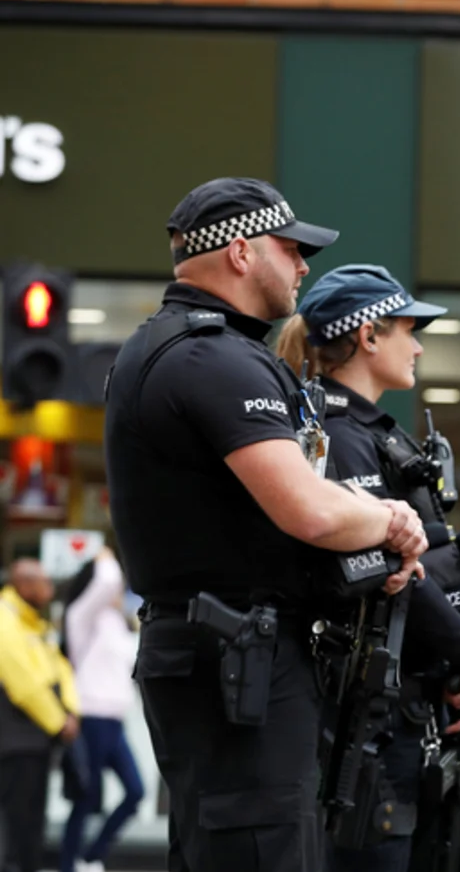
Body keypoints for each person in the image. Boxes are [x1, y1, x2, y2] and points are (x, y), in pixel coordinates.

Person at [104, 177, 429, 872]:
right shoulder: (209, 356)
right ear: (243, 251)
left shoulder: (175, 346)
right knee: (263, 847)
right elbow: (307, 507)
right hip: (236, 656)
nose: (304, 267)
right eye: (293, 249)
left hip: (220, 650)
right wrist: (392, 518)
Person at [275, 263, 460, 872]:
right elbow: (383, 568)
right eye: (409, 329)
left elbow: (411, 548)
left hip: (402, 695)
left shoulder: (372, 433)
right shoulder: (340, 435)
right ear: (368, 336)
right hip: (374, 706)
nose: (420, 345)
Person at [59, 548, 145, 872]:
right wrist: (104, 557)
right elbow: (107, 582)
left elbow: (135, 661)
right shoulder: (80, 619)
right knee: (85, 799)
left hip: (115, 722)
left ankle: (92, 855)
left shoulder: (119, 624)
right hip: (91, 718)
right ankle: (68, 865)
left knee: (135, 792)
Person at [0, 559, 79, 872]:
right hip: (16, 740)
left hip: (35, 739)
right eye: (43, 583)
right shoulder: (6, 619)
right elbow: (24, 684)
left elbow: (59, 667)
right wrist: (59, 721)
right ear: (24, 584)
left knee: (31, 823)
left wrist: (71, 710)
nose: (49, 590)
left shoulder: (33, 620)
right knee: (19, 825)